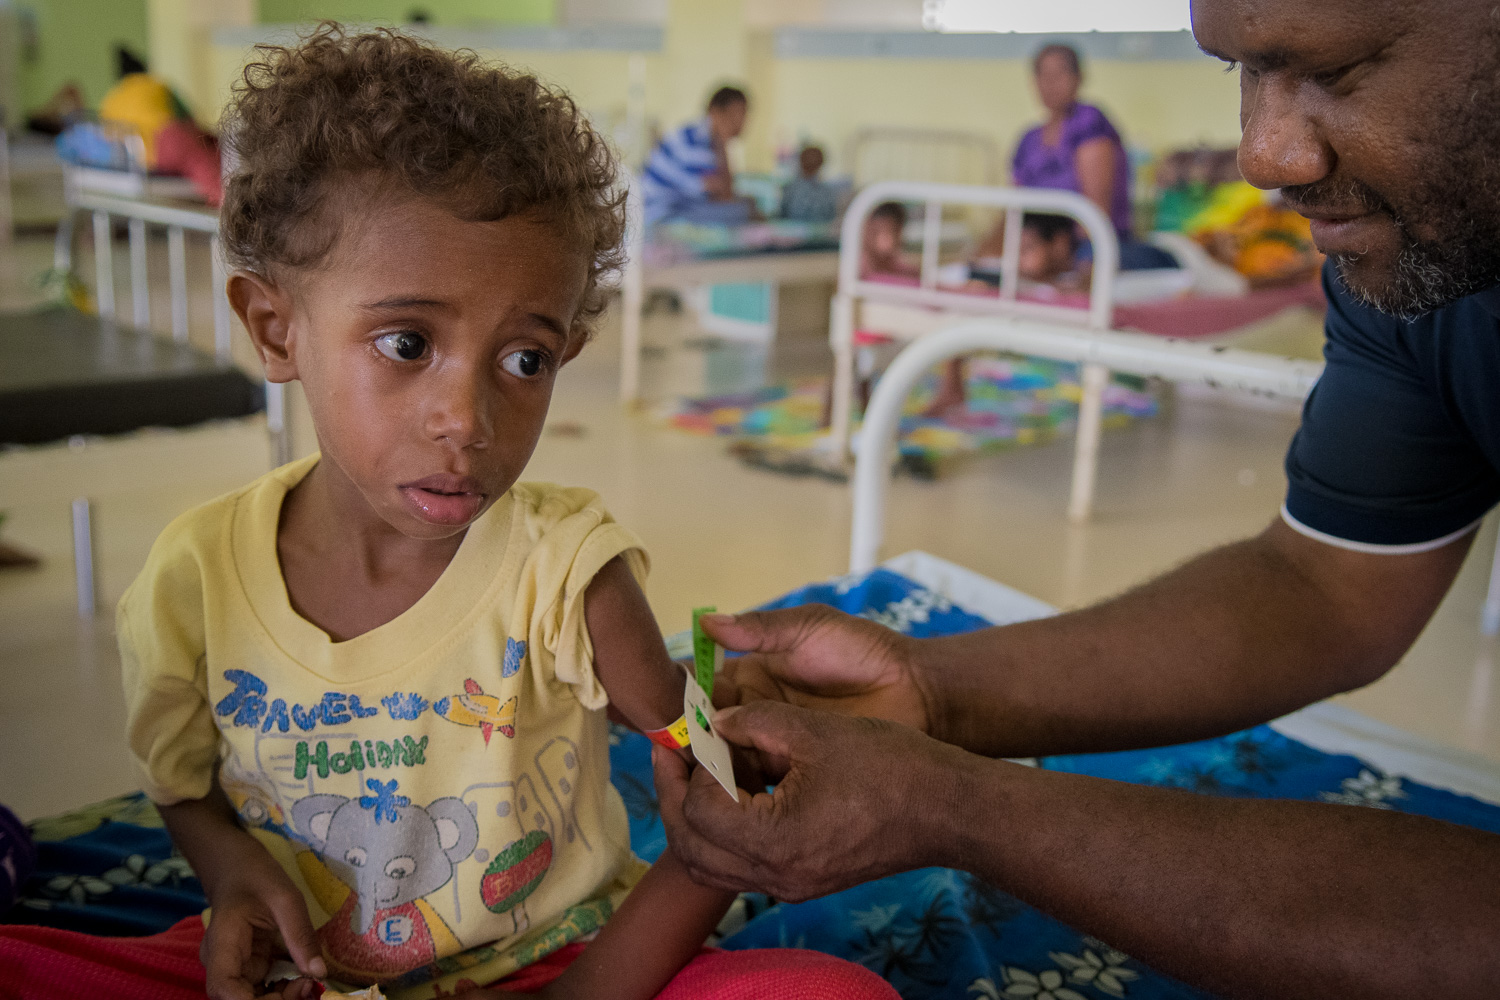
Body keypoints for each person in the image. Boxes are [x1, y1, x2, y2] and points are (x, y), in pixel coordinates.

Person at [0, 27, 897, 1000]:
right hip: (301, 969)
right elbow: (183, 785)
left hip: (555, 954)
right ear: (276, 326)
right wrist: (235, 877)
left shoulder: (566, 563)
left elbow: (692, 742)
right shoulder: (195, 578)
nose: (466, 421)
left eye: (525, 359)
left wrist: (741, 717)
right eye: (405, 341)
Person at [654, 0, 1500, 996]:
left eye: (1338, 72)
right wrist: (930, 693)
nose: (1262, 157)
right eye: (1241, 72)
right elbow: (1321, 587)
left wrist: (961, 808)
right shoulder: (1426, 273)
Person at [640, 86, 752, 225]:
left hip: (680, 207)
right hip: (660, 212)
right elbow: (722, 192)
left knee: (744, 207)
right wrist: (722, 146)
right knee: (740, 212)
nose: (740, 122)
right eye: (734, 114)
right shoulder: (693, 139)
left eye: (744, 114)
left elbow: (724, 191)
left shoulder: (709, 141)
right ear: (714, 112)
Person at [780, 144, 839, 223]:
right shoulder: (826, 193)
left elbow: (781, 216)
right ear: (821, 163)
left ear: (800, 162)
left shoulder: (790, 189)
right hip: (820, 234)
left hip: (792, 234)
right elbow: (831, 217)